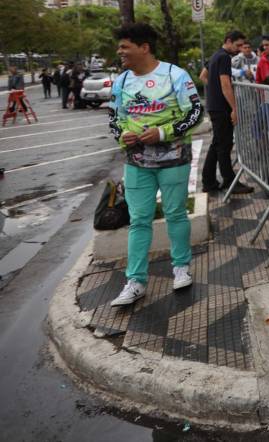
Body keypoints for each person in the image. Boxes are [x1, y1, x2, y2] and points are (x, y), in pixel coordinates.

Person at [107, 23, 204, 306]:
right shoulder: (121, 82)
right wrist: (122, 135)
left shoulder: (175, 75)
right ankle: (135, 281)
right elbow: (114, 118)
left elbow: (195, 112)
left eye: (125, 46)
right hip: (136, 162)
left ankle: (181, 267)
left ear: (144, 47)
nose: (120, 51)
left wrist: (163, 133)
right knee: (139, 220)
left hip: (173, 159)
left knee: (175, 213)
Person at [201, 30, 254, 195]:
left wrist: (213, 90)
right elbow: (225, 84)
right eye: (237, 45)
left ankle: (209, 181)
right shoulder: (223, 57)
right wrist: (234, 108)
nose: (239, 49)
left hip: (214, 105)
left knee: (217, 144)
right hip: (221, 108)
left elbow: (203, 76)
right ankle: (229, 181)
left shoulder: (216, 55)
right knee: (223, 146)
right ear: (229, 41)